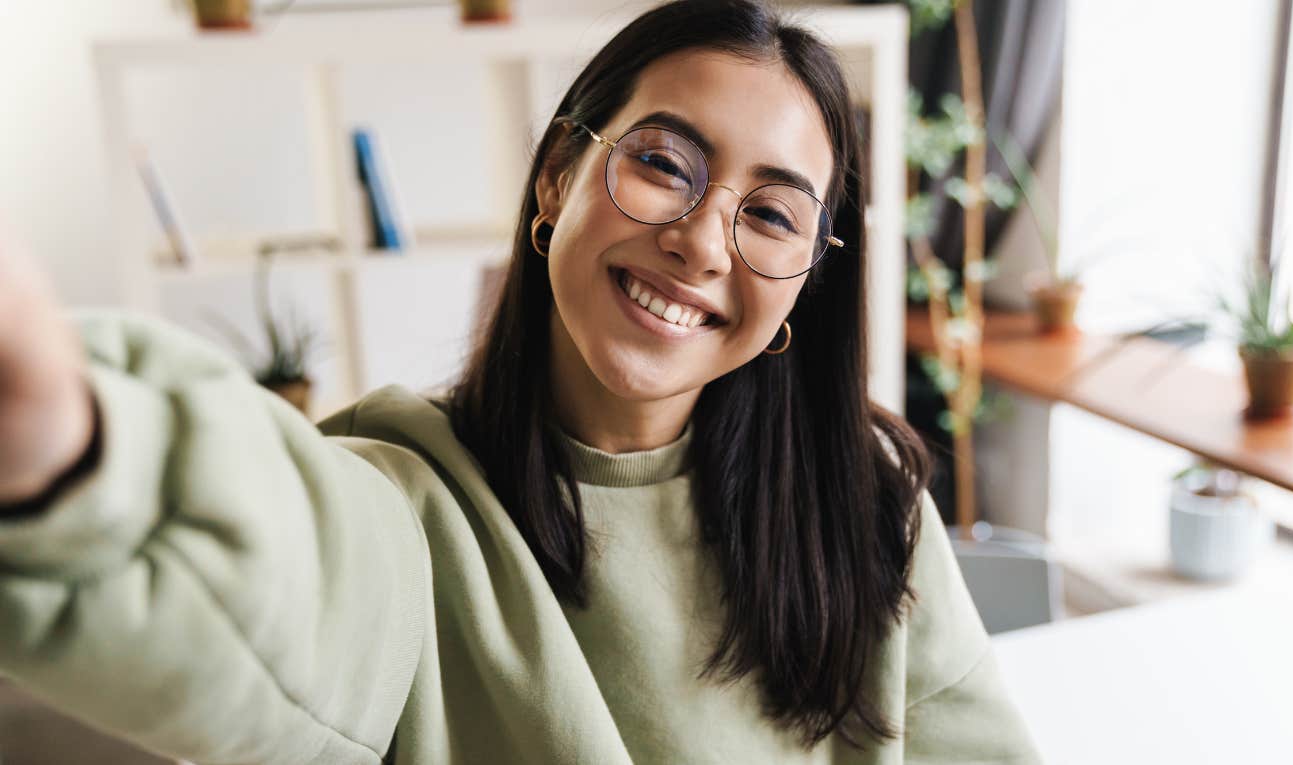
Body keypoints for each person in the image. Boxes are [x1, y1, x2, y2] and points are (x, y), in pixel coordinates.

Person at [0, 1, 1040, 762]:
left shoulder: (861, 496)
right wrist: (72, 443)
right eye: (665, 164)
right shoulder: (411, 504)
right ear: (557, 180)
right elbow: (288, 582)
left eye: (770, 216)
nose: (700, 244)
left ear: (806, 282)